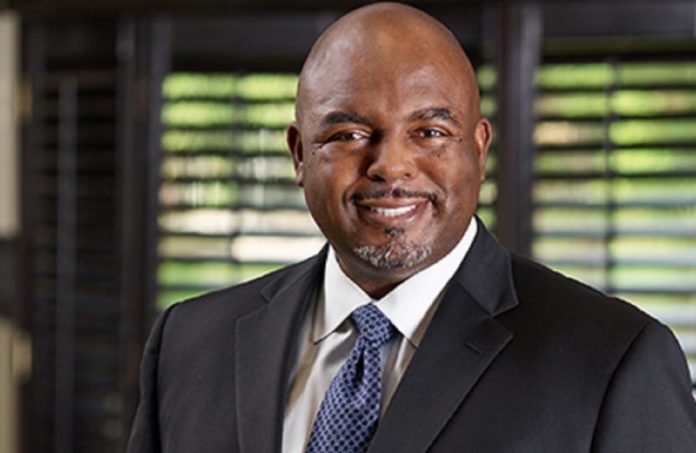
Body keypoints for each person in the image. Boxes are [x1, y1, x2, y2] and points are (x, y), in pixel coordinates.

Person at [127, 3, 696, 452]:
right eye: (349, 134)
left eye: (429, 133)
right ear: (299, 155)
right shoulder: (189, 343)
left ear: (478, 149)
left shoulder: (613, 361)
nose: (390, 166)